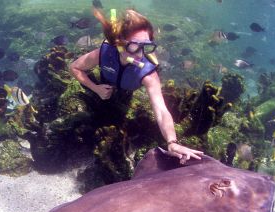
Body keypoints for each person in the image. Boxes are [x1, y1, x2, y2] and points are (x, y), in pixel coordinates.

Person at [69, 8, 203, 164]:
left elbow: (160, 110)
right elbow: (74, 67)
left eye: (145, 46)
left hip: (127, 93)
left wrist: (172, 142)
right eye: (134, 46)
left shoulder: (148, 73)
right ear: (119, 43)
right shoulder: (104, 53)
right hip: (103, 86)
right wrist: (95, 88)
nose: (139, 54)